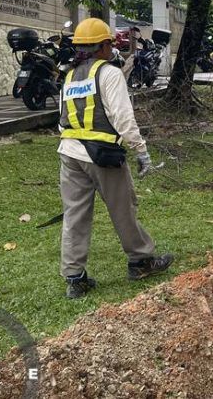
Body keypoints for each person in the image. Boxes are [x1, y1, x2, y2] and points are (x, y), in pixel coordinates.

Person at [58, 18, 173, 299]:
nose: (112, 48)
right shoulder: (108, 73)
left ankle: (75, 278)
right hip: (103, 155)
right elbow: (123, 117)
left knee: (74, 215)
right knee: (123, 209)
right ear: (102, 46)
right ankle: (140, 261)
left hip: (69, 153)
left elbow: (62, 120)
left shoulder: (69, 77)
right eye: (109, 43)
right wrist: (141, 151)